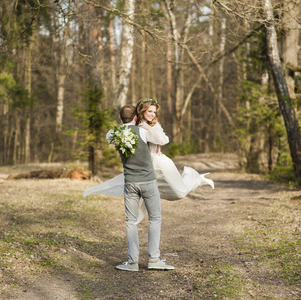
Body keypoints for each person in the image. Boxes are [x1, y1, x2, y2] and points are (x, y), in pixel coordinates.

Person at [83, 99, 214, 209]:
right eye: (149, 111)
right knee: (141, 191)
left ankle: (195, 177)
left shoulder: (154, 126)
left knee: (180, 193)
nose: (152, 114)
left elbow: (163, 140)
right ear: (142, 111)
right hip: (144, 167)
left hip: (161, 164)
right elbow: (112, 135)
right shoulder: (133, 126)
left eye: (154, 112)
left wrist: (149, 128)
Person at [108, 104, 174, 272]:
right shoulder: (144, 132)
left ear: (121, 118)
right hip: (148, 181)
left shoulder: (115, 133)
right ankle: (154, 259)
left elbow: (109, 135)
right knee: (155, 219)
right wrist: (146, 125)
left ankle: (132, 262)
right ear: (136, 117)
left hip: (130, 182)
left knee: (130, 221)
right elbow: (162, 140)